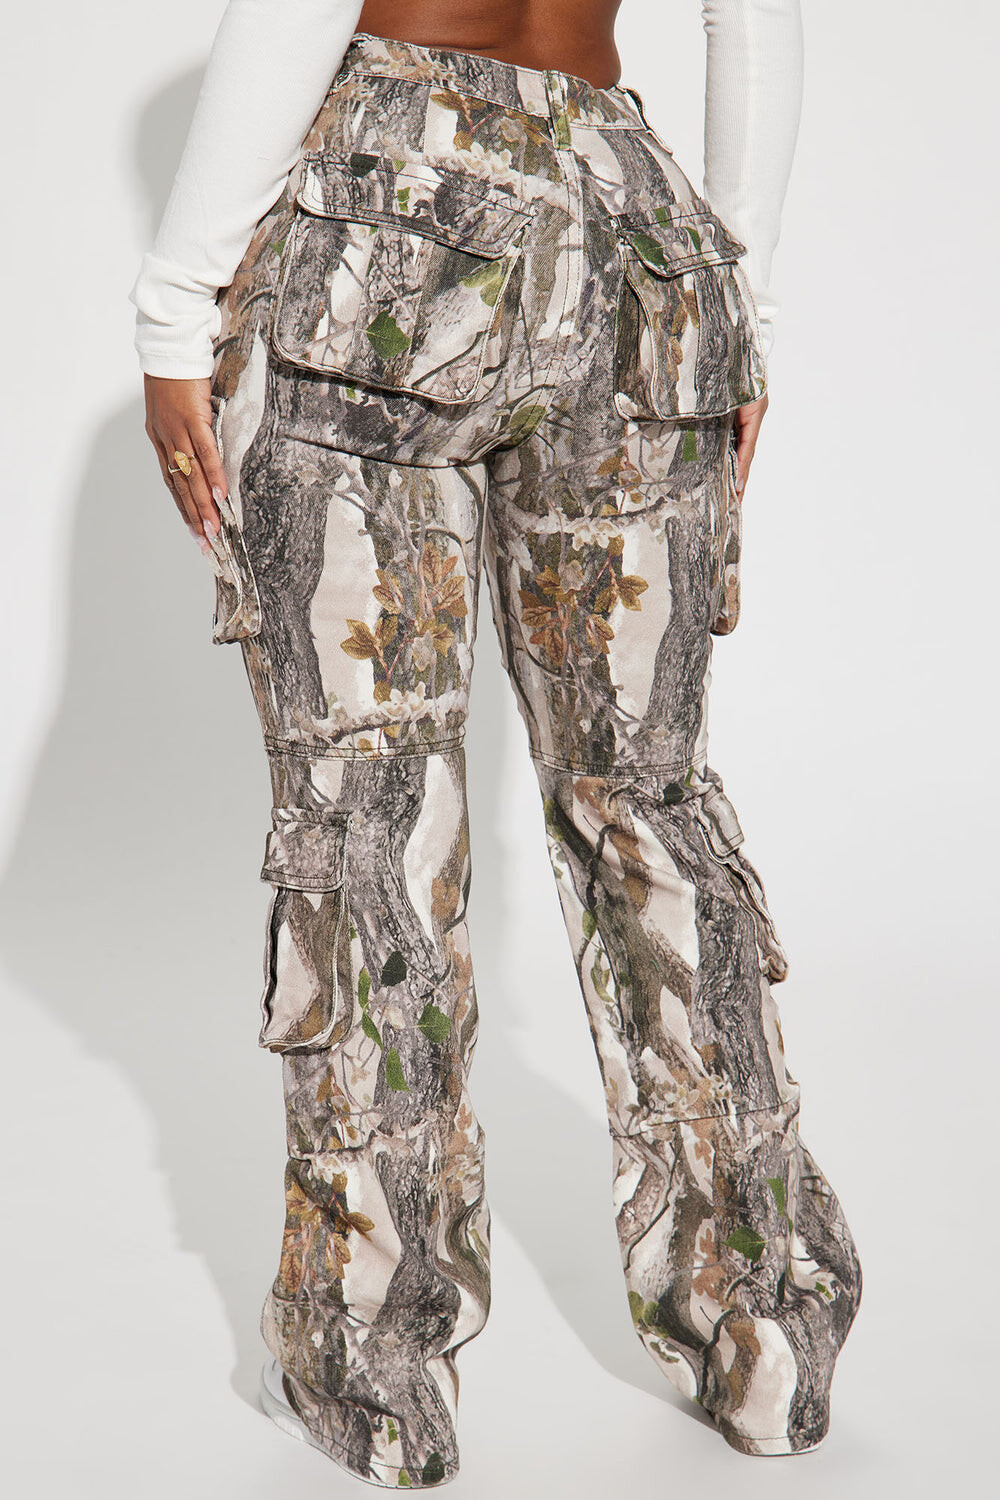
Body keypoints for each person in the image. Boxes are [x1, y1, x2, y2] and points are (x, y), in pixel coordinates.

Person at [130, 1, 862, 1486]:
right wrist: (738, 302)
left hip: (390, 222)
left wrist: (173, 305)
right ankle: (764, 1337)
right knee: (646, 799)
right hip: (637, 232)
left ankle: (377, 1376)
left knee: (368, 809)